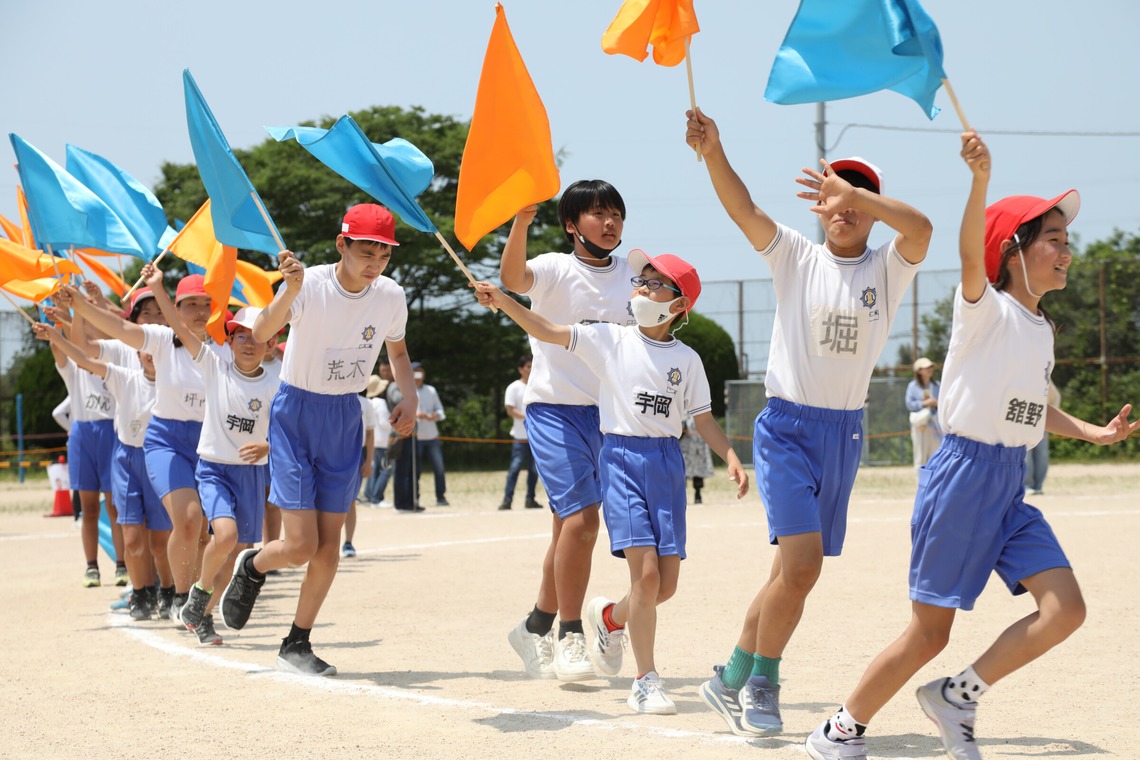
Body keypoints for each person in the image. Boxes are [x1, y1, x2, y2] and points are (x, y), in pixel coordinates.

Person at [803, 133, 1139, 760]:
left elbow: (1030, 407)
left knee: (1065, 609)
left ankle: (958, 695)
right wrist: (979, 182)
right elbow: (966, 254)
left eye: (1068, 240)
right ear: (1013, 250)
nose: (1067, 251)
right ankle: (839, 729)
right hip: (960, 479)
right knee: (930, 632)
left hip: (1008, 481)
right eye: (1054, 240)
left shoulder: (1041, 329)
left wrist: (1093, 432)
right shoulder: (983, 307)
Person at [685, 107, 932, 736]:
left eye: (857, 197)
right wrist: (715, 150)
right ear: (818, 206)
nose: (843, 205)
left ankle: (729, 675)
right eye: (832, 194)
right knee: (801, 569)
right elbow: (744, 211)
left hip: (842, 434)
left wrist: (864, 198)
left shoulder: (887, 268)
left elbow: (924, 228)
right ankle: (763, 684)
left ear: (874, 207)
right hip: (788, 430)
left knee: (783, 576)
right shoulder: (796, 255)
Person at [477, 249, 749, 713]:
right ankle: (645, 680)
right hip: (620, 460)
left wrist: (731, 455)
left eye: (653, 284)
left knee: (664, 587)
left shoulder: (688, 360)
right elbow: (549, 330)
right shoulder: (611, 340)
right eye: (640, 281)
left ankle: (609, 618)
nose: (640, 288)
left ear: (678, 305)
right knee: (644, 578)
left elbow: (701, 418)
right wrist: (505, 302)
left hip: (666, 465)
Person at [219, 203, 417, 676]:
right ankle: (253, 566)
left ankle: (297, 642)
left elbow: (400, 352)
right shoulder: (309, 286)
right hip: (296, 413)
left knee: (329, 547)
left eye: (383, 255)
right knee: (300, 545)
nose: (374, 263)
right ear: (341, 245)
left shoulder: (390, 295)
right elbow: (264, 331)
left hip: (345, 414)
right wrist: (288, 290)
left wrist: (406, 394)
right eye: (365, 251)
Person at [498, 180, 637, 683]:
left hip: (610, 415)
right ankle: (571, 635)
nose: (610, 222)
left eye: (616, 213)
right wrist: (520, 221)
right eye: (598, 214)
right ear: (572, 225)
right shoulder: (558, 267)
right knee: (582, 523)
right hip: (555, 411)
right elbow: (514, 276)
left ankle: (534, 625)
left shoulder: (635, 272)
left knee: (566, 532)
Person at [33, 319, 172, 619]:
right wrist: (56, 335)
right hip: (122, 455)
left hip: (156, 458)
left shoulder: (173, 383)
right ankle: (139, 592)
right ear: (136, 354)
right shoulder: (123, 377)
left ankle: (169, 591)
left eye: (153, 349)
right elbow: (82, 357)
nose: (149, 354)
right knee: (131, 533)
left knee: (160, 542)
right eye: (143, 350)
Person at [165, 306, 278, 647]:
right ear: (228, 341)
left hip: (252, 476)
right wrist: (157, 286)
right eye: (241, 334)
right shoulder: (216, 367)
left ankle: (203, 615)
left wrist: (268, 446)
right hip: (214, 468)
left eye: (258, 336)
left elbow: (290, 432)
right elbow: (182, 330)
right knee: (225, 536)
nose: (249, 342)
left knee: (235, 552)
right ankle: (198, 593)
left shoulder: (277, 382)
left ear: (271, 344)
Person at [42, 307, 124, 588]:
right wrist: (56, 321)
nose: (87, 330)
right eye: (82, 325)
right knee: (88, 508)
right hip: (82, 435)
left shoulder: (116, 361)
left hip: (112, 432)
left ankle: (122, 565)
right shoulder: (74, 368)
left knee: (115, 506)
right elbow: (58, 348)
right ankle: (91, 566)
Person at [499, 355, 543, 511]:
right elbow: (510, 410)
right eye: (528, 366)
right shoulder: (514, 387)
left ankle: (530, 499)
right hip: (520, 437)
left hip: (536, 437)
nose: (531, 369)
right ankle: (507, 500)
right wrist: (528, 418)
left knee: (534, 470)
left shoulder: (538, 386)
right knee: (515, 469)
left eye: (533, 366)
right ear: (520, 369)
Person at [342, 390, 377, 558]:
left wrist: (369, 461)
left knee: (351, 501)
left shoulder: (366, 403)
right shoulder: (332, 397)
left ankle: (348, 542)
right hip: (332, 452)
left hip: (356, 454)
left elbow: (370, 434)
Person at [413, 363, 448, 506]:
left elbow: (441, 411)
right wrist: (417, 416)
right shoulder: (407, 390)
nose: (418, 375)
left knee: (439, 468)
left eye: (420, 372)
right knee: (416, 470)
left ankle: (441, 496)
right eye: (415, 372)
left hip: (432, 435)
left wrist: (435, 415)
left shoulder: (431, 390)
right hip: (416, 436)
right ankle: (415, 497)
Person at [906, 357, 942, 471]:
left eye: (931, 367)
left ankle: (933, 486)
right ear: (919, 370)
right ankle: (920, 486)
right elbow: (909, 404)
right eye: (926, 367)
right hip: (920, 426)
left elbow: (944, 402)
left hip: (935, 426)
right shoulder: (912, 386)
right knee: (920, 458)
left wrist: (936, 403)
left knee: (936, 457)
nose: (930, 369)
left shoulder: (937, 385)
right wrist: (924, 403)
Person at [362, 370, 393, 507]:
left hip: (373, 441)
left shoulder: (369, 402)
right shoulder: (380, 403)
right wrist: (396, 425)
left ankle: (369, 495)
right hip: (382, 442)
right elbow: (384, 423)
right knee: (386, 470)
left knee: (375, 470)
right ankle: (377, 498)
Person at [1025, 379, 1061, 495]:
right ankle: (1027, 485)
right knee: (1026, 455)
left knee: (1042, 454)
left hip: (1041, 421)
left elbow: (1055, 397)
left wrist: (1050, 419)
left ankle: (1038, 485)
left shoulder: (1043, 377)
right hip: (1022, 422)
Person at [680, 413, 714, 504]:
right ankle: (682, 497)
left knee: (699, 472)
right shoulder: (682, 410)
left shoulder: (700, 410)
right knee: (682, 472)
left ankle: (698, 495)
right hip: (685, 447)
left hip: (698, 446)